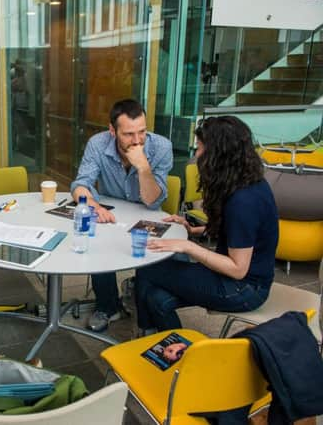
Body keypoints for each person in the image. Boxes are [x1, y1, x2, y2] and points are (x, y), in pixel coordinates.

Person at [134, 116, 278, 332]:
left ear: (217, 154)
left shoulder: (244, 201)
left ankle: (146, 335)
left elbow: (238, 269)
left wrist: (188, 246)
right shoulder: (245, 181)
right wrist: (196, 230)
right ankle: (170, 348)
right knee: (157, 298)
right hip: (241, 281)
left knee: (147, 270)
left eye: (200, 149)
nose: (196, 155)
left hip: (244, 288)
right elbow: (241, 233)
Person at [70, 99, 173, 332]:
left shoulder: (161, 147)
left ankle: (146, 315)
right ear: (112, 130)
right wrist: (94, 206)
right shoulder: (98, 144)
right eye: (128, 134)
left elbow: (153, 200)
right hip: (112, 213)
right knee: (95, 241)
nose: (137, 141)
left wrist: (143, 167)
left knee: (153, 257)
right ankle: (108, 306)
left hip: (146, 213)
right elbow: (80, 184)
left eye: (142, 132)